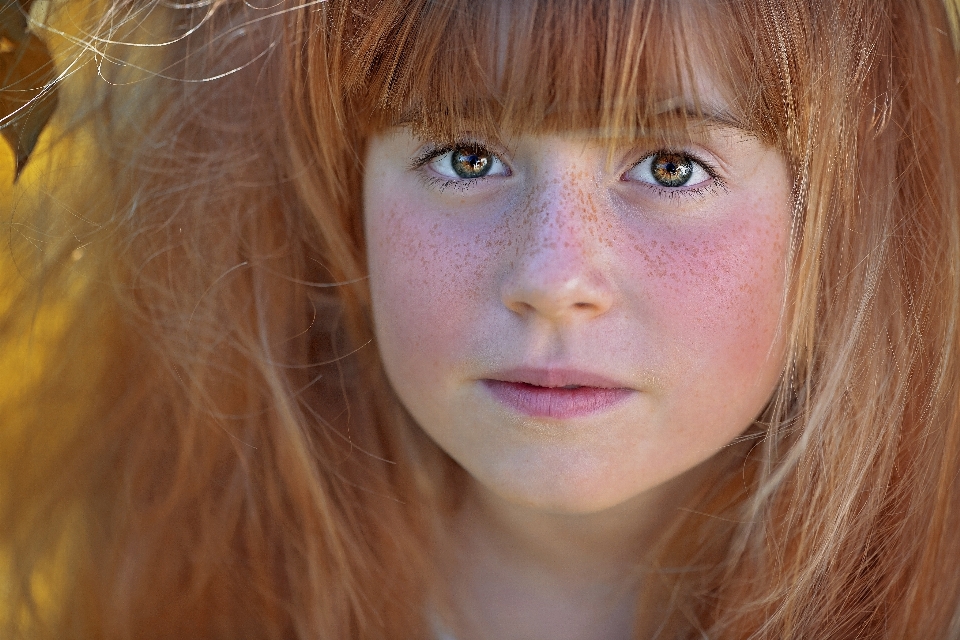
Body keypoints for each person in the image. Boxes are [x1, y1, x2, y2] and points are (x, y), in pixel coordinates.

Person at [2, 0, 959, 638]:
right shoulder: (178, 566)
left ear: (848, 217)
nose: (551, 277)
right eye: (464, 156)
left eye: (671, 166)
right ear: (343, 199)